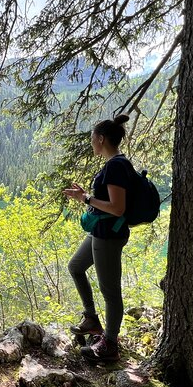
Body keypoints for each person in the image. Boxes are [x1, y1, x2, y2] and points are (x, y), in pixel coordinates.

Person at [63, 114, 132, 363]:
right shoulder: (113, 164)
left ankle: (110, 344)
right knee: (75, 266)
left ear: (101, 139)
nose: (91, 142)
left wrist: (86, 199)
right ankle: (91, 319)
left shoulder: (116, 165)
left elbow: (117, 207)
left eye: (92, 138)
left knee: (110, 290)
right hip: (100, 232)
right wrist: (87, 196)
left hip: (109, 236)